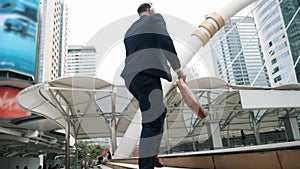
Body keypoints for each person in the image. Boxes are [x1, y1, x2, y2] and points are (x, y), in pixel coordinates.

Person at [121, 3, 186, 169]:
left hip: (132, 80)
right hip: (146, 76)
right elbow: (165, 40)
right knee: (151, 121)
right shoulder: (155, 18)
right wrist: (178, 69)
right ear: (150, 9)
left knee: (159, 112)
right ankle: (146, 166)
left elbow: (140, 52)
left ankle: (153, 155)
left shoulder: (130, 30)